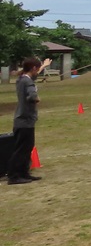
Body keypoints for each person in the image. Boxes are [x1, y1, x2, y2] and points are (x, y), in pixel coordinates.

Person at [9, 57, 49, 185]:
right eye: (37, 69)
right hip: (25, 121)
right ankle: (14, 176)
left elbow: (32, 77)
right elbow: (32, 95)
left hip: (21, 120)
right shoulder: (28, 82)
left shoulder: (22, 79)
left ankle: (24, 173)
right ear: (33, 68)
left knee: (26, 148)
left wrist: (43, 66)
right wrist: (36, 99)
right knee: (22, 150)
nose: (38, 71)